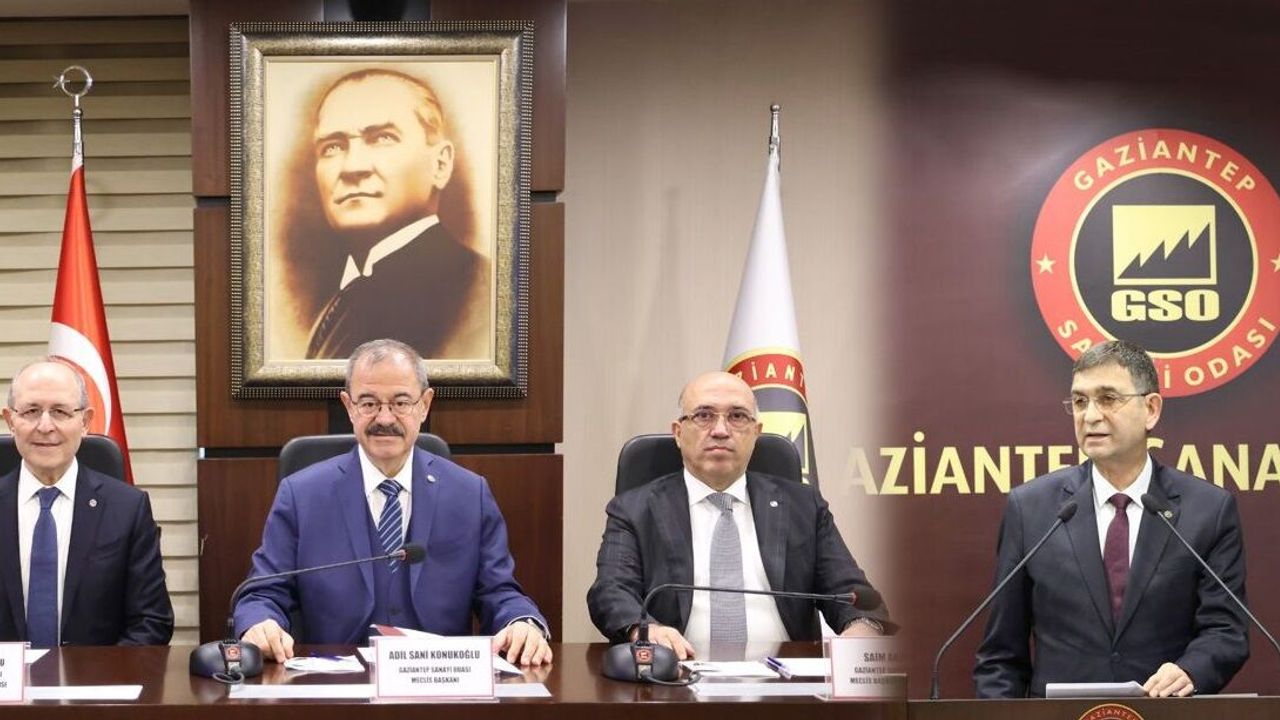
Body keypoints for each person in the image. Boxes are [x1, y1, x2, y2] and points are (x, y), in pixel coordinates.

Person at [234, 338, 550, 665]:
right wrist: (260, 623)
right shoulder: (302, 495)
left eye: (400, 402)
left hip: (439, 681)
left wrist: (521, 623)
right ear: (348, 406)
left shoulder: (469, 495)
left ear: (425, 404)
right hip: (334, 683)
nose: (385, 418)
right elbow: (262, 592)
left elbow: (499, 592)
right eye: (369, 403)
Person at [975, 340, 1248, 697]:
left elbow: (1226, 630)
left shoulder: (1208, 509)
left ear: (1151, 409)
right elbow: (1001, 657)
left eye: (1107, 399)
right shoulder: (1031, 509)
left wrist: (1190, 670)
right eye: (1079, 401)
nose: (1090, 416)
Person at [587, 371, 892, 658]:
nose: (721, 431)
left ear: (756, 433)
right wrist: (645, 630)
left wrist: (861, 627)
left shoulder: (803, 506)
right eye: (704, 415)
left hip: (787, 678)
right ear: (678, 433)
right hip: (676, 675)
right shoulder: (635, 509)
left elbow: (851, 593)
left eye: (737, 416)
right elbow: (610, 591)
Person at [303, 68, 489, 360]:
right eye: (333, 147)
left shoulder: (479, 295)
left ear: (440, 165)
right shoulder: (339, 301)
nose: (352, 167)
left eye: (382, 138)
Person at [0, 359, 173, 646]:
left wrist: (97, 672)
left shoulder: (128, 509)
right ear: (10, 421)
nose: (45, 426)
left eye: (60, 411)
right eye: (31, 411)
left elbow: (151, 623)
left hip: (100, 675)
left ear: (85, 421)